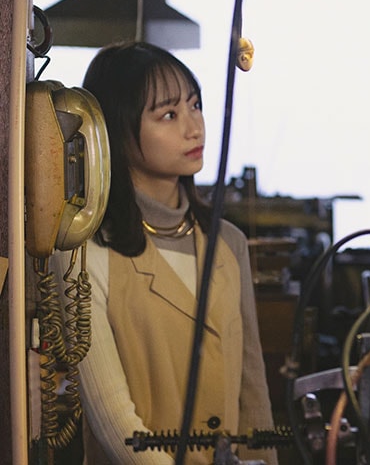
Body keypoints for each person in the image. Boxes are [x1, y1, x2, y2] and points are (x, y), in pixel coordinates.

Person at [52, 41, 278, 464]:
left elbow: (253, 394)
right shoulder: (85, 251)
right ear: (117, 130)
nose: (194, 128)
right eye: (169, 114)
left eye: (195, 105)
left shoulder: (228, 242)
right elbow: (115, 421)